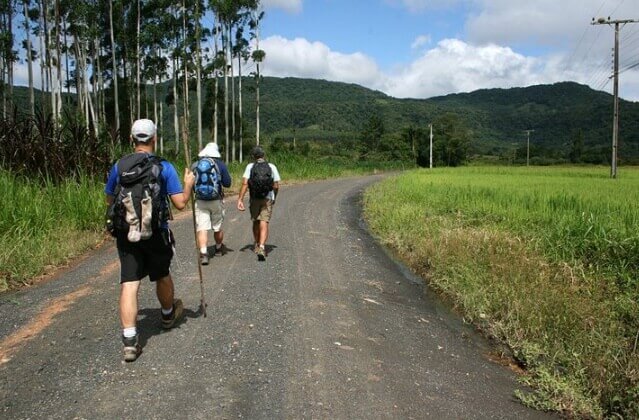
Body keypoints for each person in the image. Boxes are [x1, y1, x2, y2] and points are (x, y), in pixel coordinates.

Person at [105, 118, 195, 362]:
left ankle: (130, 340)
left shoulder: (119, 167)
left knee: (129, 283)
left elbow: (109, 201)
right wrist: (188, 185)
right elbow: (180, 203)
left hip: (127, 233)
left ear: (132, 140)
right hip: (156, 232)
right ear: (155, 139)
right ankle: (167, 314)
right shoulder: (164, 167)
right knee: (162, 274)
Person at [236, 146, 281, 261]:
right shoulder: (271, 167)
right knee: (264, 221)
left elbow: (245, 184)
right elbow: (276, 185)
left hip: (254, 198)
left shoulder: (250, 167)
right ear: (263, 155)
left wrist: (240, 199)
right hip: (267, 198)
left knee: (255, 221)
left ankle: (256, 243)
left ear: (253, 157)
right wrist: (274, 196)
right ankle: (262, 247)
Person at [192, 142, 232, 265]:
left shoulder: (195, 164)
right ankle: (219, 248)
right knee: (217, 227)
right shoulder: (220, 165)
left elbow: (191, 183)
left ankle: (204, 253)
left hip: (200, 201)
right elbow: (227, 183)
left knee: (202, 228)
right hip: (216, 200)